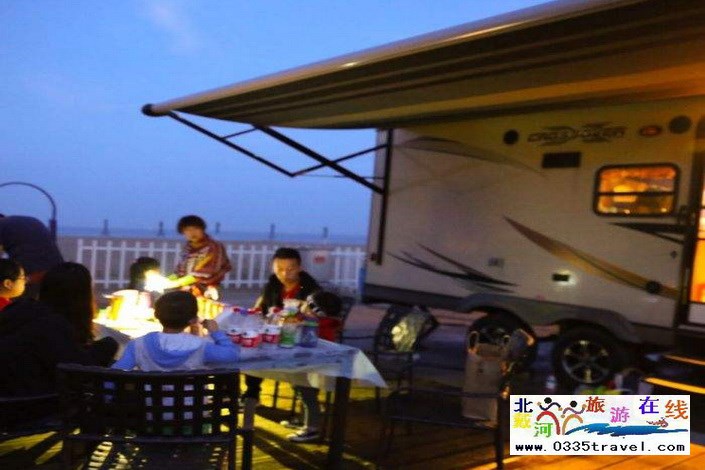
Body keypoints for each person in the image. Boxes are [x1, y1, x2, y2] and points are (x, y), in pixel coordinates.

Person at [0, 263, 118, 396]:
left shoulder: (18, 311)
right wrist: (109, 344)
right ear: (82, 298)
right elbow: (80, 371)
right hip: (30, 403)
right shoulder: (52, 326)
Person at [243, 248, 320, 403]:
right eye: (280, 269)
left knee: (300, 370)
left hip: (300, 338)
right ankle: (252, 394)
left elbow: (316, 318)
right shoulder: (273, 285)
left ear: (299, 268)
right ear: (273, 268)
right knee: (252, 352)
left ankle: (307, 401)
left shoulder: (311, 290)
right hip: (274, 334)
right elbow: (261, 307)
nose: (285, 274)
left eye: (290, 269)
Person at [113, 290, 239, 371]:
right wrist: (216, 332)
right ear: (194, 320)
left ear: (156, 315)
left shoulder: (137, 345)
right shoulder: (201, 346)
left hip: (151, 405)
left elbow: (117, 374)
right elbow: (232, 354)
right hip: (192, 405)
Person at [283, 291, 344, 443]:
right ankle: (304, 421)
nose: (303, 305)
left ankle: (311, 429)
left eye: (306, 303)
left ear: (315, 310)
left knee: (307, 395)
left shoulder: (317, 326)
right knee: (302, 392)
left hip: (311, 365)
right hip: (308, 364)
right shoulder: (320, 322)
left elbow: (303, 338)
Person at [39, 262, 119, 366]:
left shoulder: (36, 319)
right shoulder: (58, 330)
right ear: (83, 298)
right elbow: (79, 364)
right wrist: (109, 345)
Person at [0, 214, 63, 298]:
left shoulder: (2, 225)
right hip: (57, 270)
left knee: (18, 299)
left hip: (30, 273)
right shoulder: (29, 220)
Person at [174, 215, 231, 300]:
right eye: (187, 230)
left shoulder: (213, 246)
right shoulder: (188, 248)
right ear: (183, 232)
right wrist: (169, 280)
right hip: (186, 291)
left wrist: (175, 283)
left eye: (196, 228)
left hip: (208, 290)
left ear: (202, 229)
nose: (192, 233)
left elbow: (207, 272)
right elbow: (180, 270)